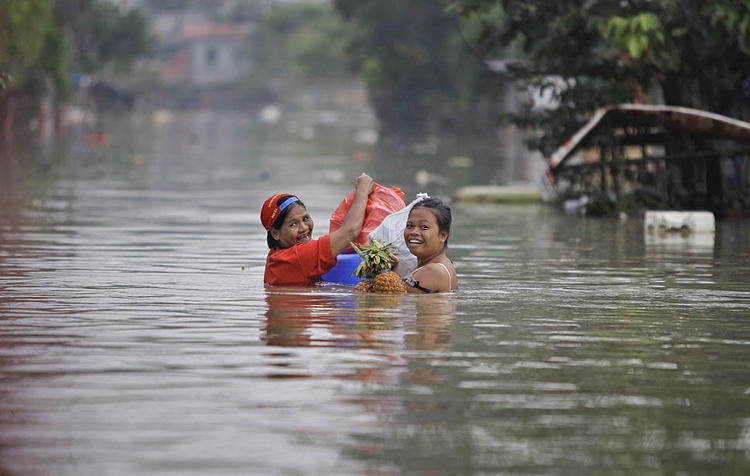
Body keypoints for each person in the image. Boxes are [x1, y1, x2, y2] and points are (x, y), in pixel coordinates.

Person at [261, 173, 376, 286]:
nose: (304, 228)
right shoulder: (297, 257)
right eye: (293, 224)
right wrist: (362, 191)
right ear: (275, 233)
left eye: (305, 218)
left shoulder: (275, 258)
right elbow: (350, 231)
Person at [397, 198, 458, 293]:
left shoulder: (433, 271)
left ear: (443, 235)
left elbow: (390, 301)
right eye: (410, 226)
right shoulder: (445, 264)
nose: (414, 232)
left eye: (424, 227)